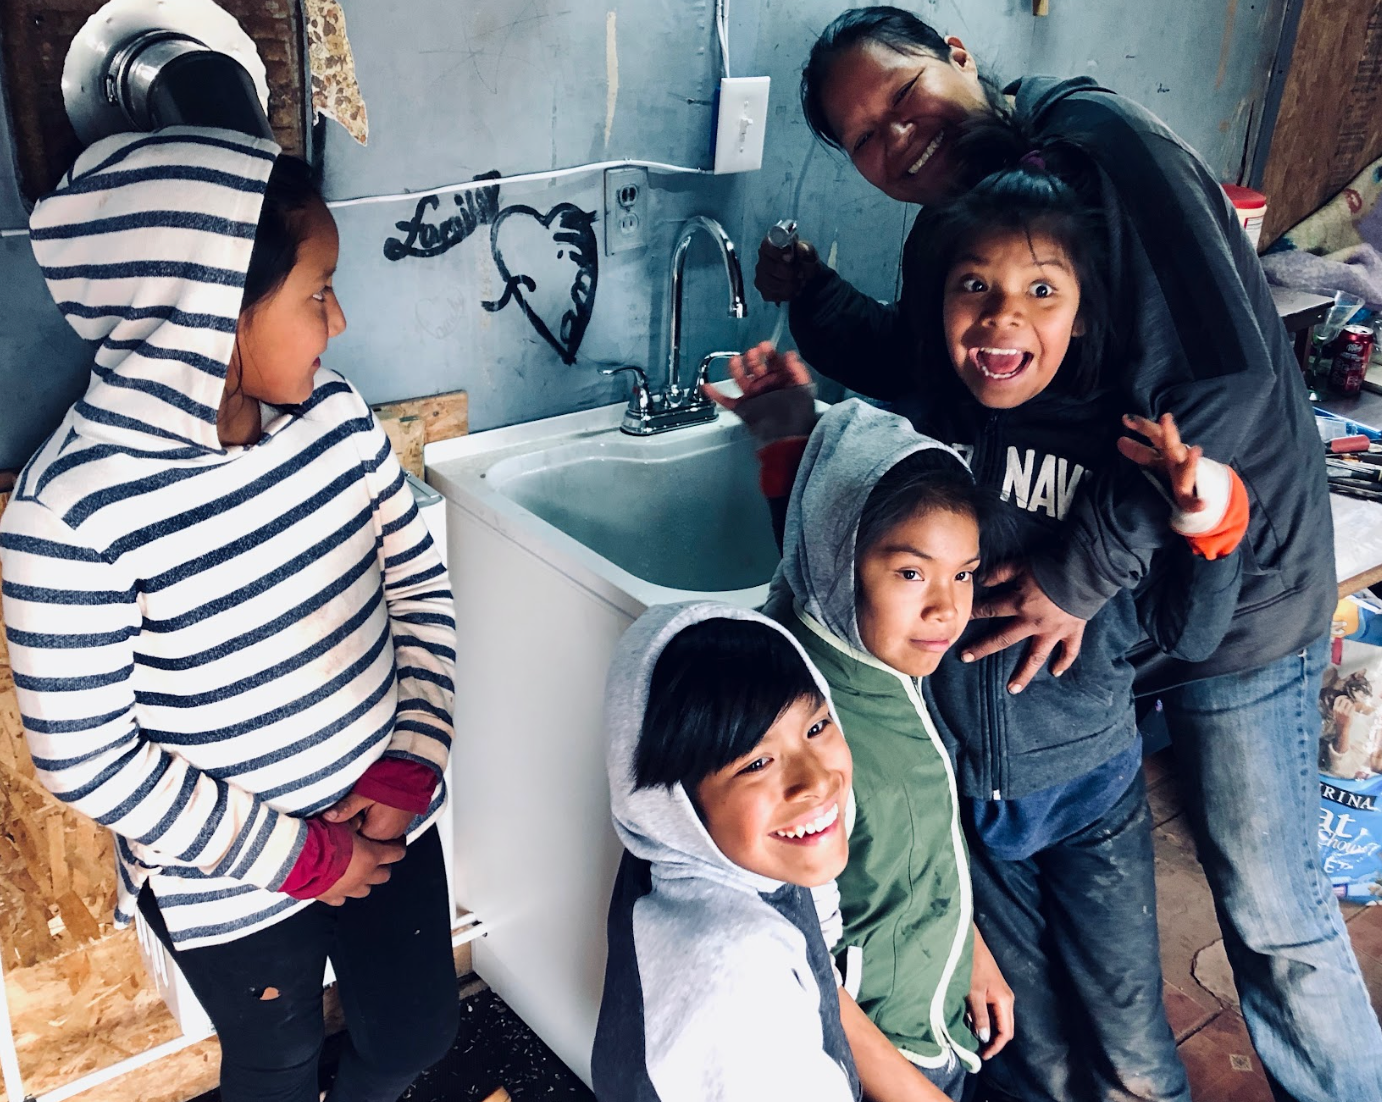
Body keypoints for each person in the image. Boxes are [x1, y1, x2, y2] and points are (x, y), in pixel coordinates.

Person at [755, 8, 1381, 1099]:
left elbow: (1220, 389)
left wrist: (1072, 574)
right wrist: (809, 299)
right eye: (863, 139)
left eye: (900, 97)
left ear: (955, 54)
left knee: (1271, 917)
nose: (895, 140)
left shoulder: (1093, 145)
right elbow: (935, 371)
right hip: (1109, 640)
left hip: (1235, 583)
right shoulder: (978, 215)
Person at [712, 145, 1251, 1101]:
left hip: (1093, 796)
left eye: (1043, 290)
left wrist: (1205, 512)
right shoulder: (914, 429)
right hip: (969, 814)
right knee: (1025, 1050)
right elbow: (827, 567)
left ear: (1084, 307)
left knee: (1132, 1050)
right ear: (940, 302)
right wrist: (785, 437)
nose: (1005, 315)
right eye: (976, 286)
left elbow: (1193, 630)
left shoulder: (1119, 450)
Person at [0, 129, 459, 1102]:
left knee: (416, 1031)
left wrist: (410, 758)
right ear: (204, 314)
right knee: (275, 1067)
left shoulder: (333, 420)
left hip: (390, 817)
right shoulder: (72, 511)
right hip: (231, 879)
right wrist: (303, 856)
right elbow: (86, 757)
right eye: (313, 290)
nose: (335, 320)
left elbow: (417, 585)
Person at [758, 399, 1010, 1101]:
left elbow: (916, 846)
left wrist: (972, 953)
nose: (946, 608)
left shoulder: (881, 664)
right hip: (871, 1057)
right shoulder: (802, 721)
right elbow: (797, 950)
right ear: (839, 556)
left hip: (929, 1008)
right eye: (910, 573)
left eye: (963, 573)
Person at [591, 603, 867, 1102]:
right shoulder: (737, 980)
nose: (816, 780)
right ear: (674, 802)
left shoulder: (691, 858)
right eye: (757, 762)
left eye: (816, 727)